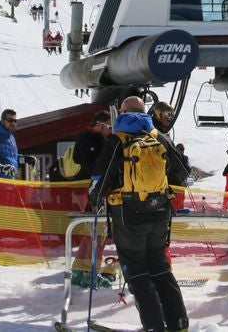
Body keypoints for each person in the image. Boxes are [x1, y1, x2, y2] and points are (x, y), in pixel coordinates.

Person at [88, 98, 190, 332]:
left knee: (138, 273)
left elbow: (100, 181)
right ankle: (179, 323)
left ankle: (154, 326)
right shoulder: (159, 136)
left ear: (122, 113)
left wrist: (94, 200)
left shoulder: (118, 140)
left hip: (129, 215)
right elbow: (182, 170)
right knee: (161, 269)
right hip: (160, 212)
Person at [68, 111, 111, 180]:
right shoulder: (86, 139)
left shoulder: (100, 139)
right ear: (99, 126)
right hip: (84, 182)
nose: (111, 131)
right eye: (110, 127)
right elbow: (88, 166)